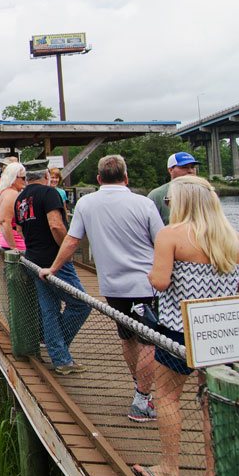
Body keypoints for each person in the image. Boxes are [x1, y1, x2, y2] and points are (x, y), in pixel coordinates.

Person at [133, 175, 239, 476]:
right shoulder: (234, 238)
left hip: (180, 328)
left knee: (166, 397)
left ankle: (168, 467)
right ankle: (215, 470)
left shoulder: (171, 235)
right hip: (223, 330)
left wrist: (153, 276)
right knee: (212, 400)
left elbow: (161, 281)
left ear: (180, 201)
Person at [41, 155, 163, 422]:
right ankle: (142, 400)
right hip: (144, 284)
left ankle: (138, 388)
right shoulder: (144, 204)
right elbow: (162, 242)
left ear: (98, 179)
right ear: (126, 177)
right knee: (148, 341)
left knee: (127, 337)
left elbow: (72, 241)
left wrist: (53, 268)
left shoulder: (86, 203)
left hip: (111, 285)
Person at [16, 169, 90, 374]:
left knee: (49, 310)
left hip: (33, 259)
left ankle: (61, 359)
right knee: (81, 304)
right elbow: (56, 225)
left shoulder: (20, 198)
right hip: (53, 261)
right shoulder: (49, 193)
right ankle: (58, 349)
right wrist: (64, 251)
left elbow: (20, 230)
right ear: (46, 176)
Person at [147, 152, 199, 225]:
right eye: (184, 167)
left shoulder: (206, 193)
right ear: (170, 170)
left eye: (192, 167)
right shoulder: (157, 195)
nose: (190, 171)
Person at [0, 162, 28, 253]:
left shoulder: (2, 193)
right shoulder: (12, 194)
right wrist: (13, 247)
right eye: (23, 178)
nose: (25, 181)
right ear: (13, 178)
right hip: (17, 244)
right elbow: (5, 222)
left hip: (4, 241)